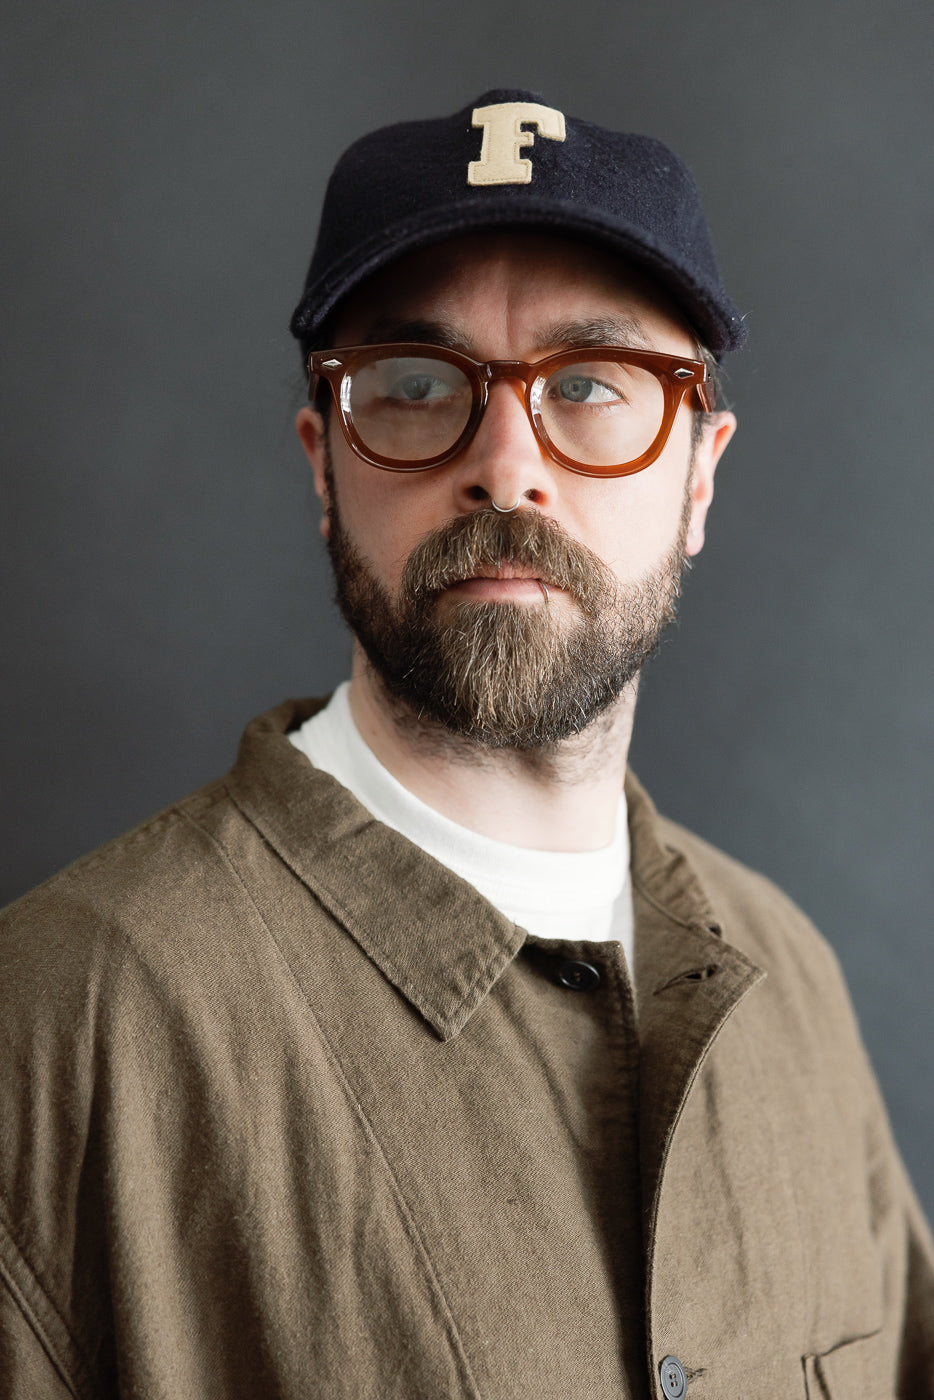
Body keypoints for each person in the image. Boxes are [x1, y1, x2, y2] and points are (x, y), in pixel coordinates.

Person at [0, 88, 931, 1400]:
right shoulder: (62, 1018)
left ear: (701, 475)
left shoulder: (789, 981)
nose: (506, 464)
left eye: (595, 384)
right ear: (324, 466)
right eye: (416, 385)